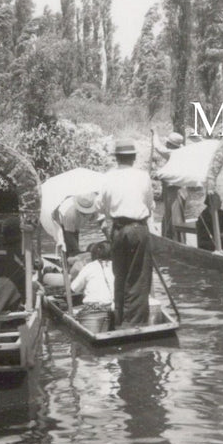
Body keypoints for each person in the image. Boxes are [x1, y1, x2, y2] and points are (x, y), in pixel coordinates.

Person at [96, 139, 156, 327]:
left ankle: (121, 319)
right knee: (138, 277)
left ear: (116, 158)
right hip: (138, 228)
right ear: (134, 158)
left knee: (120, 275)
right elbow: (149, 205)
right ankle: (134, 323)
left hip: (118, 229)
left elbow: (100, 207)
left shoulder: (107, 177)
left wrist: (109, 223)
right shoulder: (143, 176)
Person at [70, 241, 115, 313]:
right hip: (114, 306)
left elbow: (74, 288)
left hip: (94, 309)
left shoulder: (89, 267)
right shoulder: (117, 267)